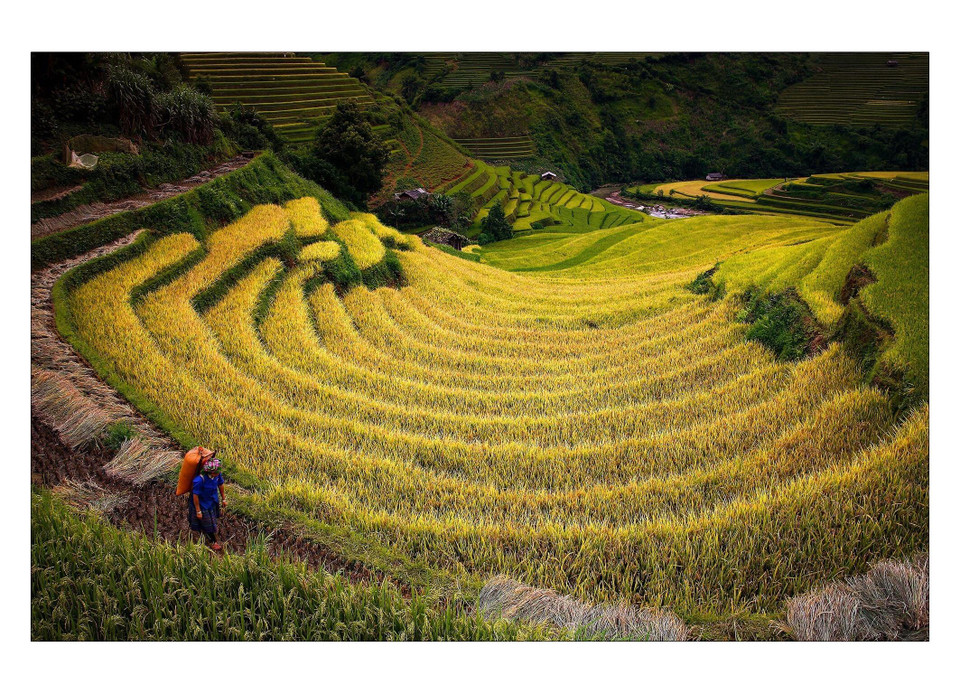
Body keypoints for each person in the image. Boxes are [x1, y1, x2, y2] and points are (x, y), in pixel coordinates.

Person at [188, 457, 227, 551]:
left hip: (212, 501)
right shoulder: (199, 480)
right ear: (211, 472)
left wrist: (224, 499)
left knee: (211, 519)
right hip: (201, 504)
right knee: (208, 523)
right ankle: (213, 541)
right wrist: (198, 511)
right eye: (217, 472)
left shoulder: (217, 475)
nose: (219, 473)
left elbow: (220, 484)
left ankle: (207, 531)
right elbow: (195, 496)